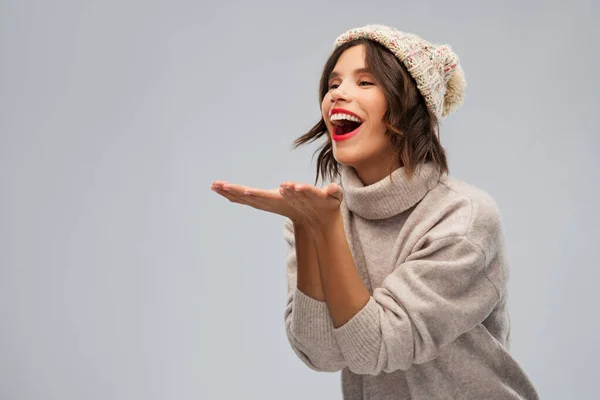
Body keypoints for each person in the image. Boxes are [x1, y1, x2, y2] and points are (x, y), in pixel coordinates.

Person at [211, 24, 539, 400]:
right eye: (333, 85)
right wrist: (307, 227)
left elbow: (375, 347)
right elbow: (318, 353)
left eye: (365, 83)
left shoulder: (463, 220)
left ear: (409, 107)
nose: (338, 95)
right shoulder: (316, 214)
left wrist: (323, 228)